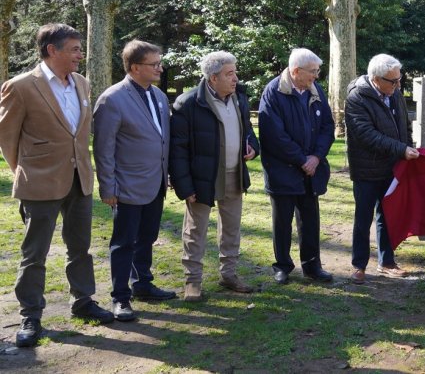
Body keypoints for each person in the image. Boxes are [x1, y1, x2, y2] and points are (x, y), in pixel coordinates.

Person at [0, 24, 113, 347]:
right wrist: (27, 171)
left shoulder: (82, 83)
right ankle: (31, 315)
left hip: (80, 180)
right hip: (39, 184)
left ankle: (83, 301)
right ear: (53, 50)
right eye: (75, 49)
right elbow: (7, 138)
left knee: (80, 247)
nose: (80, 55)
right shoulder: (20, 86)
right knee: (34, 253)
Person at [93, 40, 176, 322]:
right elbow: (103, 149)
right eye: (154, 64)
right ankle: (120, 297)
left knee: (147, 237)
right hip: (126, 186)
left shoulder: (159, 96)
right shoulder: (112, 99)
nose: (160, 69)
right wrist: (108, 187)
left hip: (155, 183)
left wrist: (166, 174)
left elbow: (162, 138)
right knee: (124, 242)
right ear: (135, 67)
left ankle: (143, 284)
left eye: (159, 63)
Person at [169, 51, 260, 301]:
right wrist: (185, 186)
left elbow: (249, 132)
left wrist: (253, 147)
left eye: (235, 72)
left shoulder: (239, 98)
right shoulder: (188, 103)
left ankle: (228, 274)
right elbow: (178, 150)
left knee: (231, 228)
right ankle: (193, 282)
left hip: (234, 174)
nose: (235, 78)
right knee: (195, 230)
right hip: (201, 179)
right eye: (230, 74)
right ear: (213, 78)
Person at [259, 48, 335, 284]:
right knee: (282, 221)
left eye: (317, 70)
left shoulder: (315, 90)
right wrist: (302, 160)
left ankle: (312, 266)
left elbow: (327, 127)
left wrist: (316, 157)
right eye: (312, 71)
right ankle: (282, 266)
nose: (316, 75)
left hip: (311, 170)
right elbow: (274, 135)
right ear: (295, 71)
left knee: (310, 219)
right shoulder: (273, 92)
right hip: (282, 169)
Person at [345, 54, 419, 284]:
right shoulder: (357, 97)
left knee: (387, 215)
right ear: (376, 79)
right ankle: (359, 265)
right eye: (393, 81)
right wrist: (401, 149)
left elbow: (404, 126)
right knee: (363, 217)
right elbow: (366, 135)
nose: (398, 85)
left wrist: (408, 148)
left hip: (392, 166)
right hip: (367, 169)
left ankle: (387, 262)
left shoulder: (394, 92)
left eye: (399, 79)